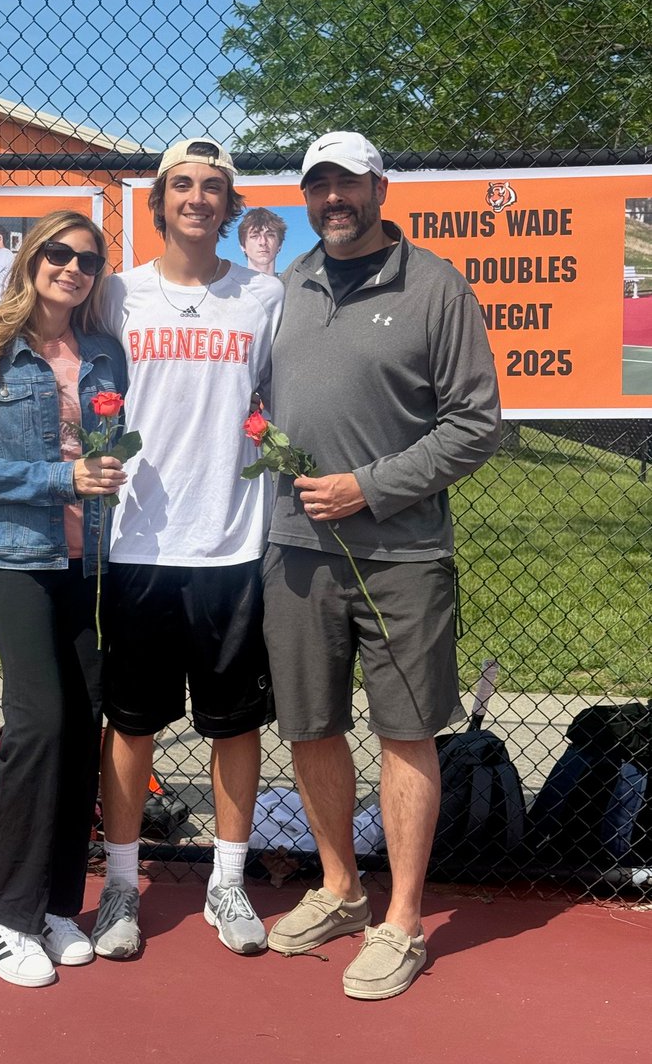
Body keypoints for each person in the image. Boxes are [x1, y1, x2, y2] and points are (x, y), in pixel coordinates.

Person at [263, 131, 502, 999]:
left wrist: (369, 487)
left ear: (381, 189)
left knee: (406, 729)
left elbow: (476, 426)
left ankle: (401, 921)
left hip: (402, 554)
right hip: (293, 552)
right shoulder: (287, 287)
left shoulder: (436, 288)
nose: (334, 199)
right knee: (311, 724)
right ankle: (338, 888)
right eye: (318, 185)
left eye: (349, 184)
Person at [93, 138, 284, 958]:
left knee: (234, 724)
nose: (198, 198)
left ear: (229, 205)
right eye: (183, 185)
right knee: (132, 724)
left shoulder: (265, 297)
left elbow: (278, 396)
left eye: (213, 187)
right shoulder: (114, 296)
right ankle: (123, 888)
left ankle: (227, 883)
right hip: (139, 543)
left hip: (234, 543)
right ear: (159, 203)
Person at [0, 210, 128, 987]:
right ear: (29, 261)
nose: (71, 268)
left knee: (83, 727)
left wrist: (113, 472)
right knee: (39, 723)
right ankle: (4, 916)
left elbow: (115, 446)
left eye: (87, 259)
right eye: (57, 253)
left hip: (93, 564)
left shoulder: (106, 353)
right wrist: (61, 479)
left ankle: (56, 905)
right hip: (18, 559)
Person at [237, 207, 287, 275]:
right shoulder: (232, 285)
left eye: (270, 235)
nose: (263, 242)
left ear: (280, 245)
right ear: (242, 246)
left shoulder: (291, 284)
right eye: (255, 236)